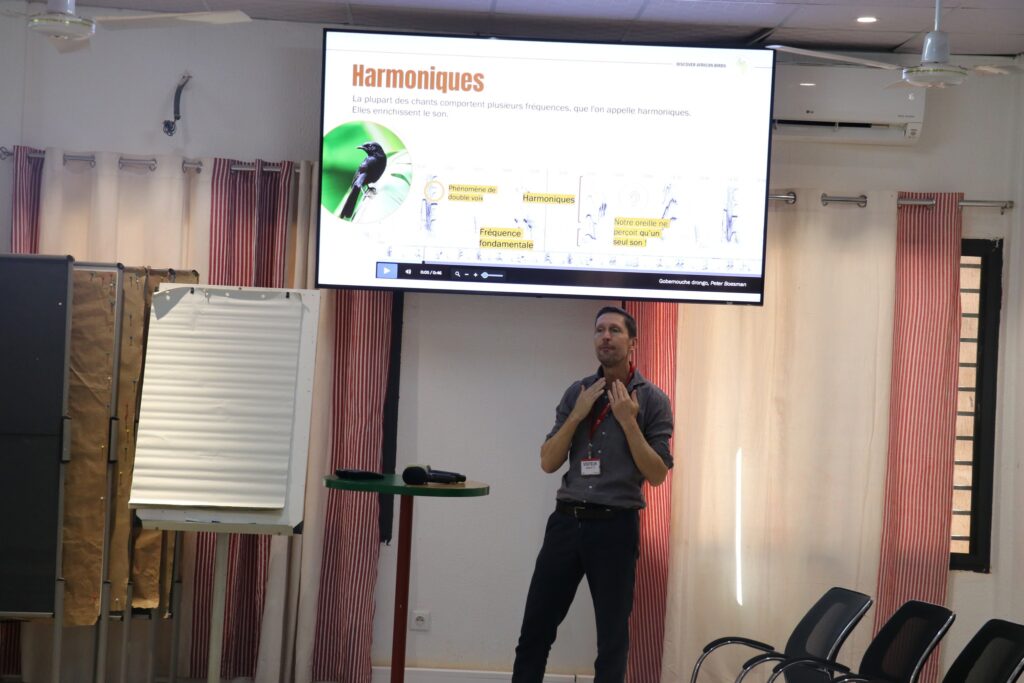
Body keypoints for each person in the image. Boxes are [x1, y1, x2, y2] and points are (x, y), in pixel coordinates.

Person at [511, 305, 674, 683]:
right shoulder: (578, 392)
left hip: (615, 528)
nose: (605, 337)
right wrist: (577, 414)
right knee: (535, 631)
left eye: (615, 330)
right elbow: (548, 462)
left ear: (633, 342)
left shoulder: (653, 400)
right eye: (600, 330)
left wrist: (628, 421)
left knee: (612, 642)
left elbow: (657, 474)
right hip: (566, 524)